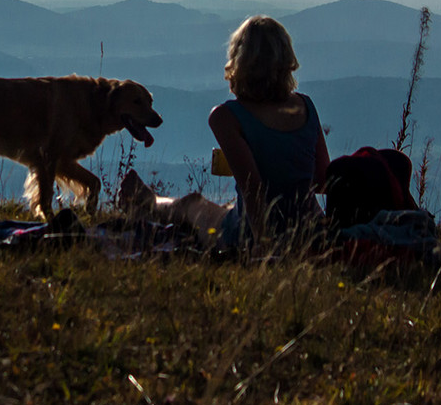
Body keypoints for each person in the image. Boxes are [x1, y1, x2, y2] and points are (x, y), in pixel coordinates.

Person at [116, 15, 331, 249]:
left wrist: (265, 248)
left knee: (193, 205)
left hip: (252, 234)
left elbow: (254, 192)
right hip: (312, 229)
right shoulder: (306, 106)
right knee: (226, 209)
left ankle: (150, 202)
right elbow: (323, 180)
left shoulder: (226, 117)